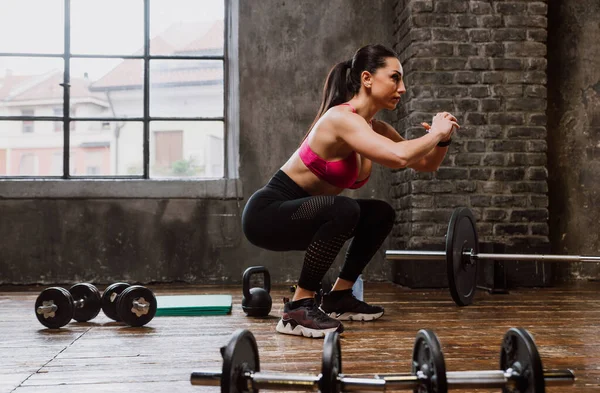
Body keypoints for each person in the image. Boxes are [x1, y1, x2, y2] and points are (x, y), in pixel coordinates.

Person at [242, 44, 458, 338]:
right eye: (395, 77)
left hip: (305, 213)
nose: (403, 88)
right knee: (345, 209)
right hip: (266, 214)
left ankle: (339, 298)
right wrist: (434, 133)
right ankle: (297, 307)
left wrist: (442, 141)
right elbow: (398, 156)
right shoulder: (340, 119)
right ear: (367, 78)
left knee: (380, 213)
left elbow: (424, 163)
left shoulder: (375, 128)